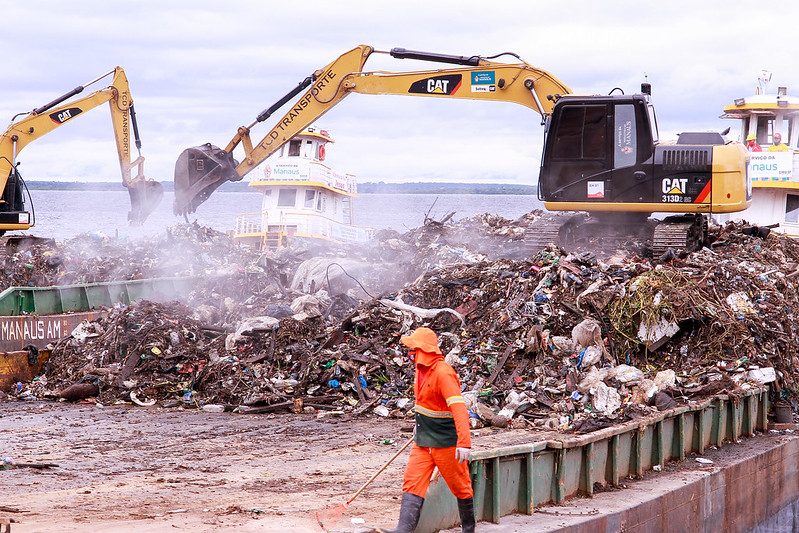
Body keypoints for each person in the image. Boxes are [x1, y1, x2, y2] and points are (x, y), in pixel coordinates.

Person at [376, 327, 474, 533]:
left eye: (413, 349)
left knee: (460, 486)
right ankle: (403, 530)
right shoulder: (420, 372)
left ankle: (468, 529)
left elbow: (459, 408)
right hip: (423, 440)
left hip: (445, 443)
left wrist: (464, 442)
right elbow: (426, 405)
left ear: (422, 350)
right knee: (412, 481)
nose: (409, 353)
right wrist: (418, 426)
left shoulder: (443, 373)